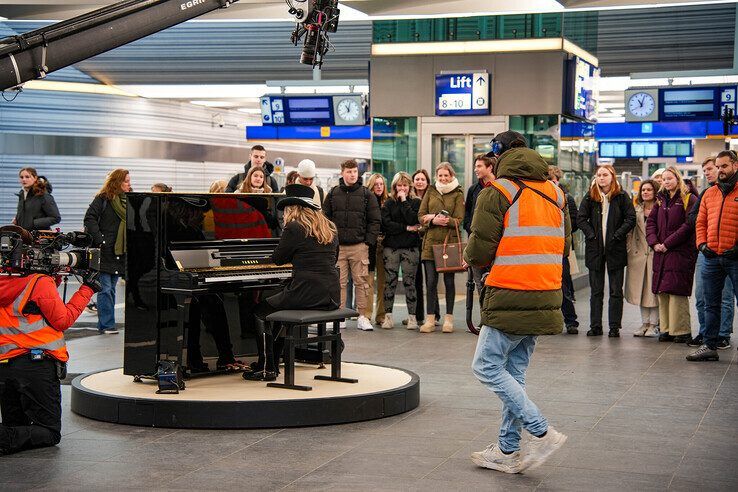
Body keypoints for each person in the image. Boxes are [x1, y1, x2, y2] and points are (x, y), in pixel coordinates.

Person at [465, 131, 570, 474]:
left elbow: (479, 251)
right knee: (515, 373)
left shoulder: (498, 192)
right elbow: (563, 246)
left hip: (510, 291)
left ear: (499, 156)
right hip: (545, 292)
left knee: (486, 366)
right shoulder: (556, 193)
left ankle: (541, 432)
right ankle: (508, 450)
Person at [0, 225, 100, 455]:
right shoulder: (38, 283)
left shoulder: (27, 281)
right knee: (49, 431)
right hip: (36, 366)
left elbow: (27, 304)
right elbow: (62, 320)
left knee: (15, 427)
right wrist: (87, 288)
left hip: (4, 365)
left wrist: (49, 278)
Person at [244, 184, 340, 381]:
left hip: (305, 292)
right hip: (330, 293)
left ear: (292, 208)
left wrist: (248, 262)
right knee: (276, 308)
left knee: (260, 312)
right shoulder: (329, 227)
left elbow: (278, 259)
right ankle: (273, 363)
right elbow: (332, 258)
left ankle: (266, 368)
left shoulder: (294, 227)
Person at [687, 150, 738, 362]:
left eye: (724, 166)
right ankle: (709, 345)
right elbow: (700, 222)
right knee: (710, 303)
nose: (720, 171)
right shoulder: (710, 193)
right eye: (718, 167)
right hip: (711, 257)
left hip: (735, 257)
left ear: (735, 165)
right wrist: (701, 244)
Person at [577, 165, 636, 337]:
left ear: (612, 177)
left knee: (616, 290)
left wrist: (618, 235)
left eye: (605, 175)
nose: (601, 178)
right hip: (595, 250)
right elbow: (581, 218)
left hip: (615, 249)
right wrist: (591, 235)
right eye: (599, 175)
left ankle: (614, 327)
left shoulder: (622, 196)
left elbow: (630, 218)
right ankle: (595, 326)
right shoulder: (591, 196)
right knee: (596, 291)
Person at [323, 159, 381, 331]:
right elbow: (325, 219)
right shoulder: (333, 193)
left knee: (361, 282)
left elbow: (375, 220)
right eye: (349, 172)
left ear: (358, 173)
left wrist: (367, 243)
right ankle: (339, 316)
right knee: (338, 283)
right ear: (342, 173)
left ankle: (362, 316)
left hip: (359, 246)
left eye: (355, 172)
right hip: (338, 247)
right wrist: (330, 241)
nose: (352, 175)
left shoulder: (366, 194)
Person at [646, 166, 697, 344]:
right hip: (661, 251)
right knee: (663, 291)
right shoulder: (660, 200)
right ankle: (666, 329)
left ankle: (681, 330)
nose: (666, 182)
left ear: (678, 179)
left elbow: (689, 226)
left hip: (679, 251)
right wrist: (654, 243)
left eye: (670, 178)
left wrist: (667, 243)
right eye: (664, 179)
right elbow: (651, 222)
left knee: (676, 291)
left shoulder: (689, 198)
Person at [418, 162, 464, 333]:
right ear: (436, 176)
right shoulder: (430, 191)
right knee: (430, 282)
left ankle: (449, 319)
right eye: (440, 175)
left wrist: (446, 220)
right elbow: (420, 216)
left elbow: (460, 219)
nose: (443, 178)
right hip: (430, 243)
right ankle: (430, 319)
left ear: (451, 176)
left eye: (446, 175)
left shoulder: (458, 193)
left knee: (449, 282)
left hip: (448, 243)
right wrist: (432, 220)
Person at [83, 168, 130, 335]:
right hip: (104, 250)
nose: (129, 184)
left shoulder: (129, 200)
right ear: (117, 182)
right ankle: (107, 325)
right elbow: (89, 218)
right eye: (126, 181)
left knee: (111, 288)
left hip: (120, 250)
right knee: (106, 288)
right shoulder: (103, 199)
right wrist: (100, 239)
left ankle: (107, 323)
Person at [381, 172, 421, 330]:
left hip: (411, 248)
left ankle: (412, 318)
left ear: (409, 186)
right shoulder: (388, 203)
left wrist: (404, 201)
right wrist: (405, 228)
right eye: (399, 185)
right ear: (394, 186)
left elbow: (414, 219)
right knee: (389, 282)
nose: (402, 188)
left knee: (409, 283)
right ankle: (388, 317)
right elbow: (386, 224)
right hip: (391, 248)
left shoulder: (416, 202)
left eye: (405, 185)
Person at [625, 179, 660, 337]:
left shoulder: (660, 209)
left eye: (649, 190)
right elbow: (630, 233)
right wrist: (629, 250)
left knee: (653, 291)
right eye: (643, 190)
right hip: (638, 256)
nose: (645, 192)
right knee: (640, 289)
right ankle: (644, 323)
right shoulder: (636, 210)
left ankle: (653, 325)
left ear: (655, 192)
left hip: (655, 254)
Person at [548, 165, 580, 335]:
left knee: (563, 286)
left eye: (554, 180)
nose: (552, 184)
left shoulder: (566, 199)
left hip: (560, 249)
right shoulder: (543, 199)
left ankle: (570, 320)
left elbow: (573, 223)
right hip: (547, 248)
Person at [404, 169, 438, 327]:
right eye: (416, 179)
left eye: (422, 179)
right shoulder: (410, 199)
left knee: (431, 280)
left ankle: (435, 314)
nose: (419, 182)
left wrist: (421, 225)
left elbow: (425, 221)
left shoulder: (433, 196)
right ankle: (417, 316)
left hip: (430, 242)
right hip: (414, 242)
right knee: (416, 280)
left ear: (427, 181)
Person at [464, 154, 496, 296]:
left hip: (495, 245)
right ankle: (485, 317)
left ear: (489, 167)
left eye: (479, 166)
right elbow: (467, 215)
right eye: (475, 166)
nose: (476, 169)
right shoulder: (473, 190)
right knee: (480, 285)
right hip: (477, 243)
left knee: (495, 286)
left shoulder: (500, 187)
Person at [366, 173, 389, 325]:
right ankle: (366, 315)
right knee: (368, 281)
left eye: (381, 184)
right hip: (370, 243)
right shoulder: (365, 201)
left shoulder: (388, 202)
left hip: (385, 243)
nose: (379, 187)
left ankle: (380, 315)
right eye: (376, 184)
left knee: (383, 282)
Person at [14, 168, 61, 232]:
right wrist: (17, 219)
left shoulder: (43, 195)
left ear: (35, 178)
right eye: (21, 177)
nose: (24, 179)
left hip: (38, 237)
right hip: (24, 234)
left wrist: (33, 223)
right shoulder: (22, 194)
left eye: (27, 177)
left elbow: (56, 218)